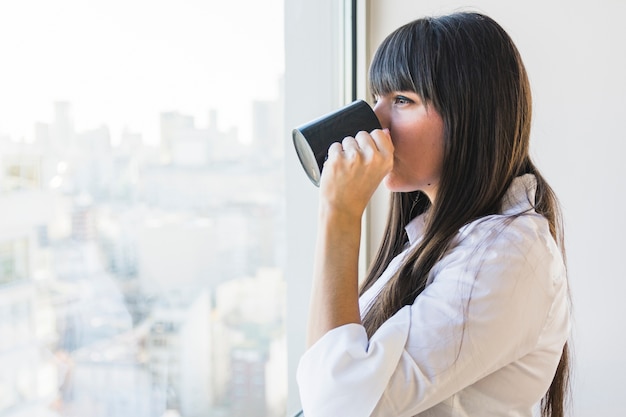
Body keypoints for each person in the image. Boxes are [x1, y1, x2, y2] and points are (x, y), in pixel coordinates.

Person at [296, 11, 571, 417]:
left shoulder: (507, 253)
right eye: (378, 99)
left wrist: (339, 216)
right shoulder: (437, 240)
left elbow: (334, 406)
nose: (377, 123)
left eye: (402, 100)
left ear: (469, 114)